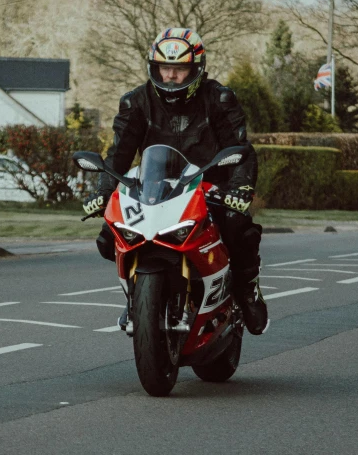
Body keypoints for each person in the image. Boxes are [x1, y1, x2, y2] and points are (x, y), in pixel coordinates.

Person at [83, 27, 268, 335]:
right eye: (164, 68)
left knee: (238, 226)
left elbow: (240, 148)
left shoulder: (220, 99)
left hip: (208, 187)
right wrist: (103, 193)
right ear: (154, 68)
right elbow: (118, 155)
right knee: (108, 237)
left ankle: (248, 289)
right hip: (153, 188)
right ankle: (138, 298)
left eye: (179, 69)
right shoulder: (135, 102)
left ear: (196, 69)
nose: (170, 75)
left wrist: (241, 189)